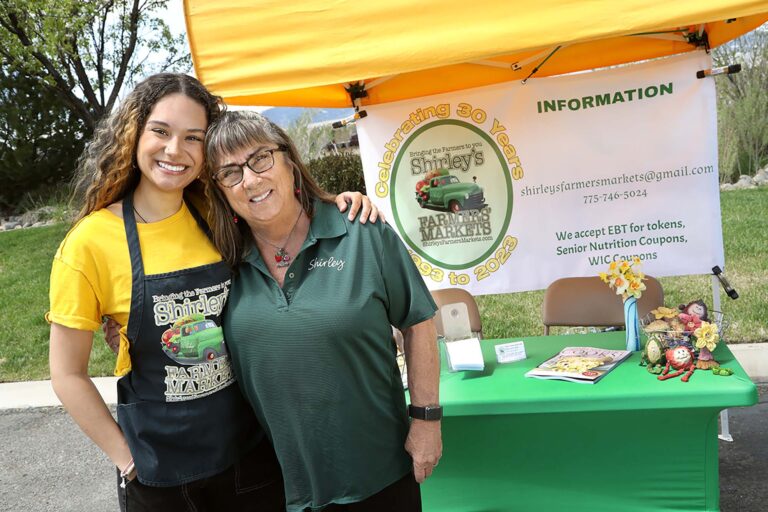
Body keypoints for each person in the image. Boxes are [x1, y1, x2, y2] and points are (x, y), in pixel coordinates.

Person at [47, 73, 380, 511]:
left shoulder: (220, 216)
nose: (174, 151)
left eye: (193, 138)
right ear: (134, 133)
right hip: (158, 476)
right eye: (161, 132)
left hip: (248, 460)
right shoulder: (88, 243)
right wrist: (127, 460)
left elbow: (283, 212)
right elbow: (66, 374)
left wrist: (338, 201)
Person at [203, 111, 443, 511]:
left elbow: (418, 321)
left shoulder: (361, 231)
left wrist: (426, 420)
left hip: (378, 473)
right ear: (221, 190)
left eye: (260, 159)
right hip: (275, 483)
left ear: (289, 162)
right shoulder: (220, 263)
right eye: (230, 173)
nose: (249, 179)